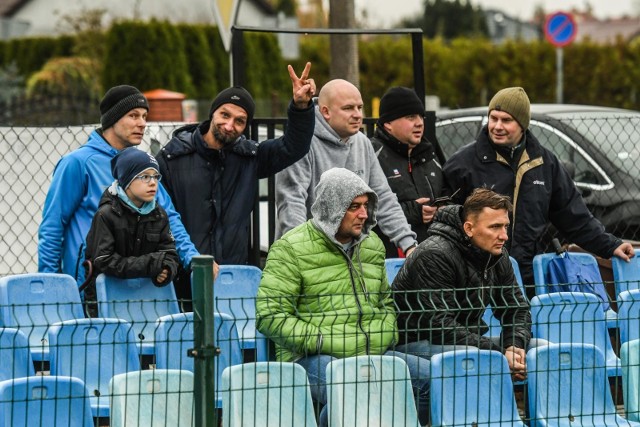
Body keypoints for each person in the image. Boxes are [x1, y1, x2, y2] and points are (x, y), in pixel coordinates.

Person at [257, 168, 430, 426]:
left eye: (365, 206)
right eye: (354, 207)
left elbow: (385, 301)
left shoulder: (372, 245)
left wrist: (385, 333)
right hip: (312, 357)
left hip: (374, 353)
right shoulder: (290, 248)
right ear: (332, 208)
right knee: (354, 390)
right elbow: (269, 315)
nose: (363, 214)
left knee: (433, 378)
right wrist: (319, 339)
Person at [442, 87, 634, 296]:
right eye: (493, 118)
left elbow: (575, 217)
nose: (497, 126)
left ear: (523, 124)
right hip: (476, 279)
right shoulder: (461, 164)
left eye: (506, 120)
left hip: (530, 277)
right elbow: (445, 220)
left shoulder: (546, 163)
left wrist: (611, 245)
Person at [156, 63, 316, 298]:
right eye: (225, 115)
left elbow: (293, 146)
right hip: (181, 277)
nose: (230, 125)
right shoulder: (172, 158)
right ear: (213, 113)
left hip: (232, 278)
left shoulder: (250, 157)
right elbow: (161, 217)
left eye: (239, 121)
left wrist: (301, 107)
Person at [38, 85, 201, 292]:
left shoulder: (143, 167)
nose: (142, 123)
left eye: (144, 116)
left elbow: (170, 218)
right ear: (112, 119)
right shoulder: (78, 163)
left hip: (138, 287)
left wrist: (193, 260)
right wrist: (51, 285)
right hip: (88, 286)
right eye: (134, 116)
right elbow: (53, 226)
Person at [393, 188, 532, 381]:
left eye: (505, 227)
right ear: (468, 228)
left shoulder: (497, 254)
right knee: (481, 359)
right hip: (418, 343)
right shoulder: (434, 255)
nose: (504, 236)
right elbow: (439, 326)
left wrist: (514, 346)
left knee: (539, 350)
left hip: (469, 341)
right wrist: (499, 352)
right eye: (494, 227)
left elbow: (516, 308)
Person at [275, 79, 418, 256]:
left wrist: (409, 245)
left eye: (359, 107)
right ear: (325, 111)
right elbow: (291, 200)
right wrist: (300, 251)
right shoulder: (302, 142)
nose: (358, 114)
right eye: (348, 108)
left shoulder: (362, 143)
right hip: (307, 255)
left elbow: (383, 197)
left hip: (351, 255)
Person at [83, 148, 179, 315]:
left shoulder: (159, 215)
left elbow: (170, 253)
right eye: (144, 177)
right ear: (126, 180)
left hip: (146, 303)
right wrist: (151, 264)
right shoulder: (106, 215)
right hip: (106, 301)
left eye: (156, 176)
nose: (153, 183)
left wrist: (167, 270)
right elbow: (104, 260)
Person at [370, 86, 445, 257]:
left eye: (421, 116)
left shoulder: (430, 154)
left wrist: (442, 208)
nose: (419, 122)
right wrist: (414, 211)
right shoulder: (371, 154)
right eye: (410, 117)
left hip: (433, 254)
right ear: (388, 123)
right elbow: (364, 210)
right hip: (388, 257)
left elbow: (448, 193)